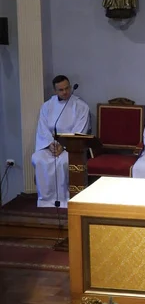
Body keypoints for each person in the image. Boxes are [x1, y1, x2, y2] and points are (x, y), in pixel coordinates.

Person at [31, 75, 90, 208]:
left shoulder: (80, 106)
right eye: (61, 90)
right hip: (50, 146)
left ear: (70, 87)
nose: (65, 92)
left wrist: (63, 146)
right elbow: (43, 128)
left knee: (64, 161)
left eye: (67, 88)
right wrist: (51, 144)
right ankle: (46, 200)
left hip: (70, 147)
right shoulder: (47, 106)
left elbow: (80, 129)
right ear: (55, 91)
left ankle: (65, 199)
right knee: (39, 159)